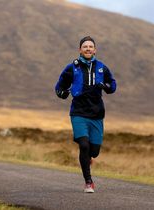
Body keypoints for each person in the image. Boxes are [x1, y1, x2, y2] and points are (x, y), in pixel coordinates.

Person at [55, 36, 117, 193]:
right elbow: (60, 86)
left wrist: (106, 86)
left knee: (94, 151)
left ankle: (88, 158)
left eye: (91, 46)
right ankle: (88, 182)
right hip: (78, 112)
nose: (88, 49)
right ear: (80, 50)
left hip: (96, 113)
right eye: (85, 46)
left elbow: (113, 85)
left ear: (95, 50)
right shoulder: (72, 68)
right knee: (84, 145)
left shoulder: (102, 67)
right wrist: (62, 93)